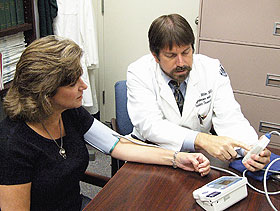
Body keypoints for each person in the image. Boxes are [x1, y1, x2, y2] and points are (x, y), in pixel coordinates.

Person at [0, 35, 210, 211]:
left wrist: (176, 158)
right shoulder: (13, 145)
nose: (84, 86)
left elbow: (118, 145)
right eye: (74, 83)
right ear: (45, 93)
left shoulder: (68, 113)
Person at [126, 14, 271, 172]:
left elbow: (230, 117)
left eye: (186, 52)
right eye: (171, 55)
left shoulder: (211, 69)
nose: (181, 63)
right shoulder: (139, 72)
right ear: (155, 56)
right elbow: (151, 125)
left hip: (199, 159)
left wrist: (249, 149)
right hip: (151, 153)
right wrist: (201, 139)